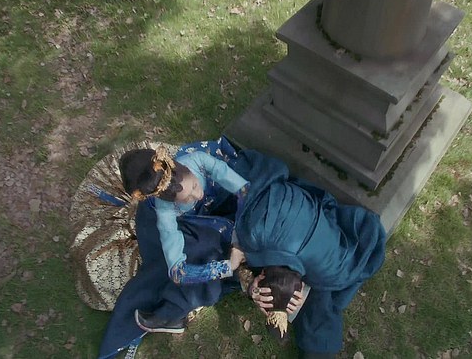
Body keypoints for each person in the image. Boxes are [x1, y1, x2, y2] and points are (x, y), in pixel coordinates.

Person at [97, 138, 250, 359]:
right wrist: (227, 266)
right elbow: (178, 272)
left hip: (217, 196)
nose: (197, 195)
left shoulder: (198, 159)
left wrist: (239, 236)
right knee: (199, 252)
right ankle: (171, 312)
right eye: (186, 199)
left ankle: (173, 311)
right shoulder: (165, 214)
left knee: (256, 184)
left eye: (194, 186)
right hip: (181, 225)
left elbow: (244, 190)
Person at [232, 149, 387, 358]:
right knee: (318, 306)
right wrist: (252, 286)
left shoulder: (330, 267)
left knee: (319, 303)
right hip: (281, 231)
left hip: (307, 245)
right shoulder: (251, 232)